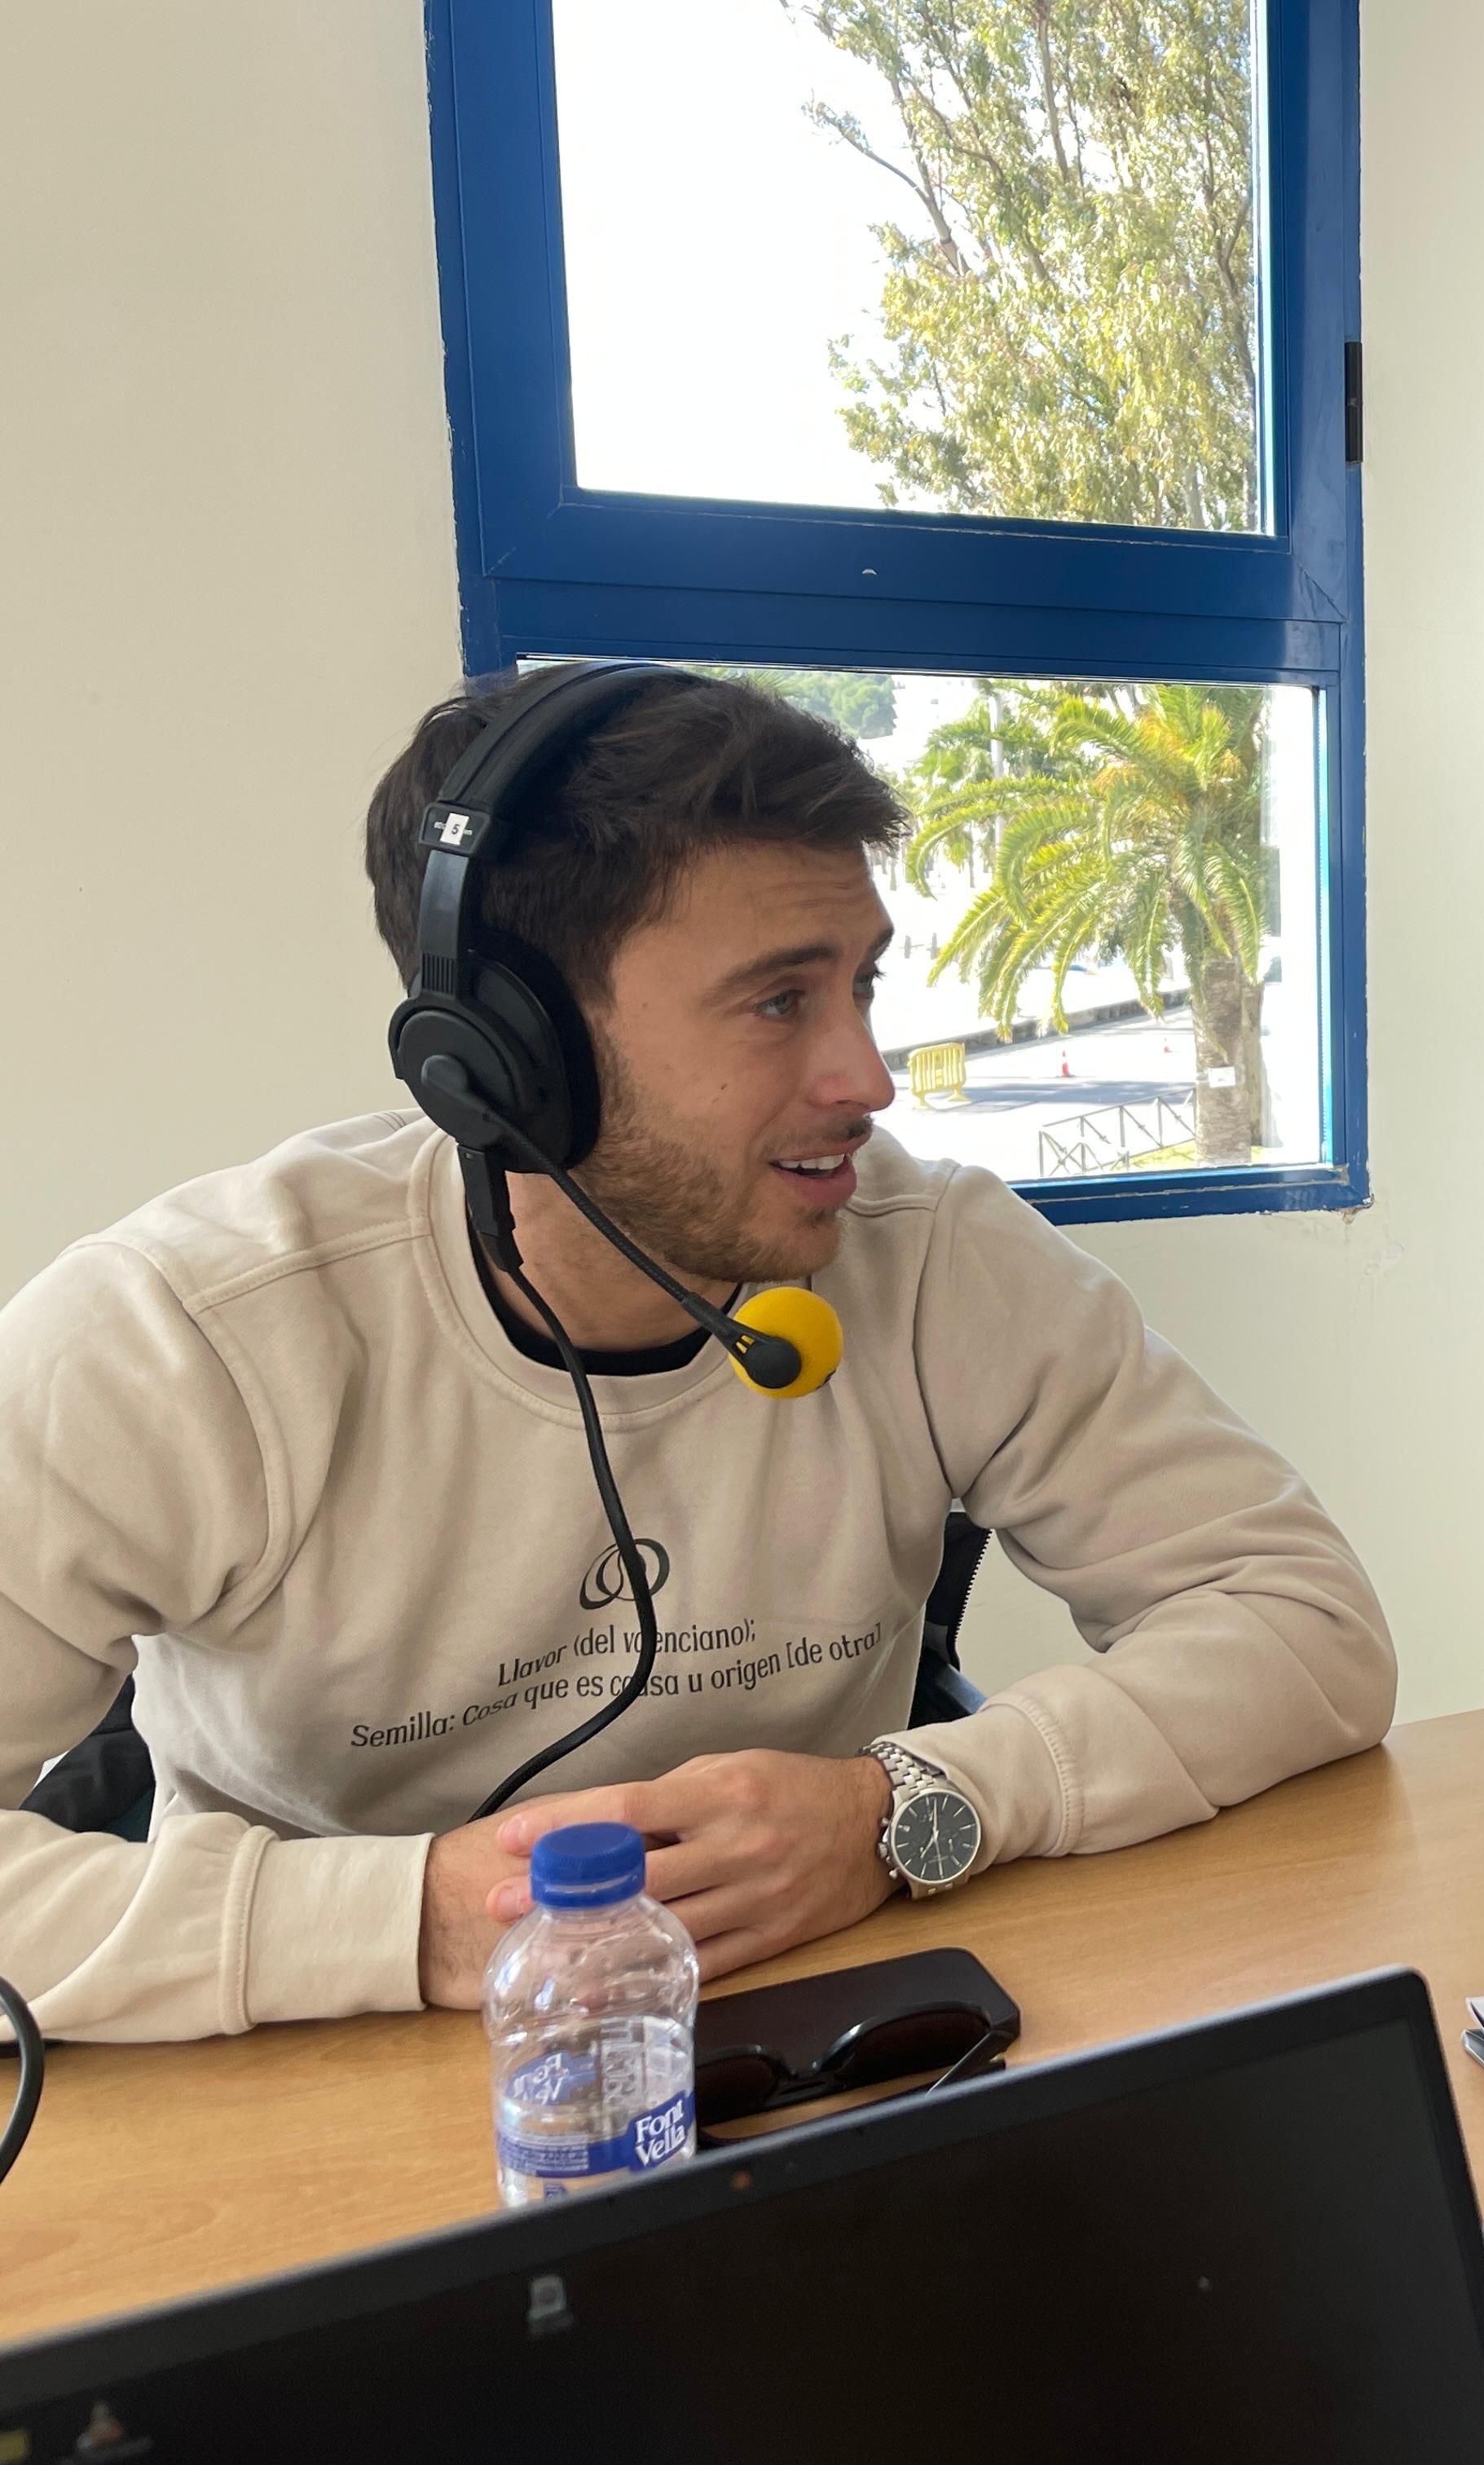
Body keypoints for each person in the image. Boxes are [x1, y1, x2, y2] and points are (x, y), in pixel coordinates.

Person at [0, 668, 1397, 2043]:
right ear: (508, 1052)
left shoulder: (934, 1258)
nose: (867, 1079)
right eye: (779, 1001)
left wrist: (908, 1808)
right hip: (326, 2066)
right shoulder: (181, 1340)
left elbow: (1307, 1627)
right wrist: (408, 1920)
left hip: (828, 2028)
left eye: (861, 983)